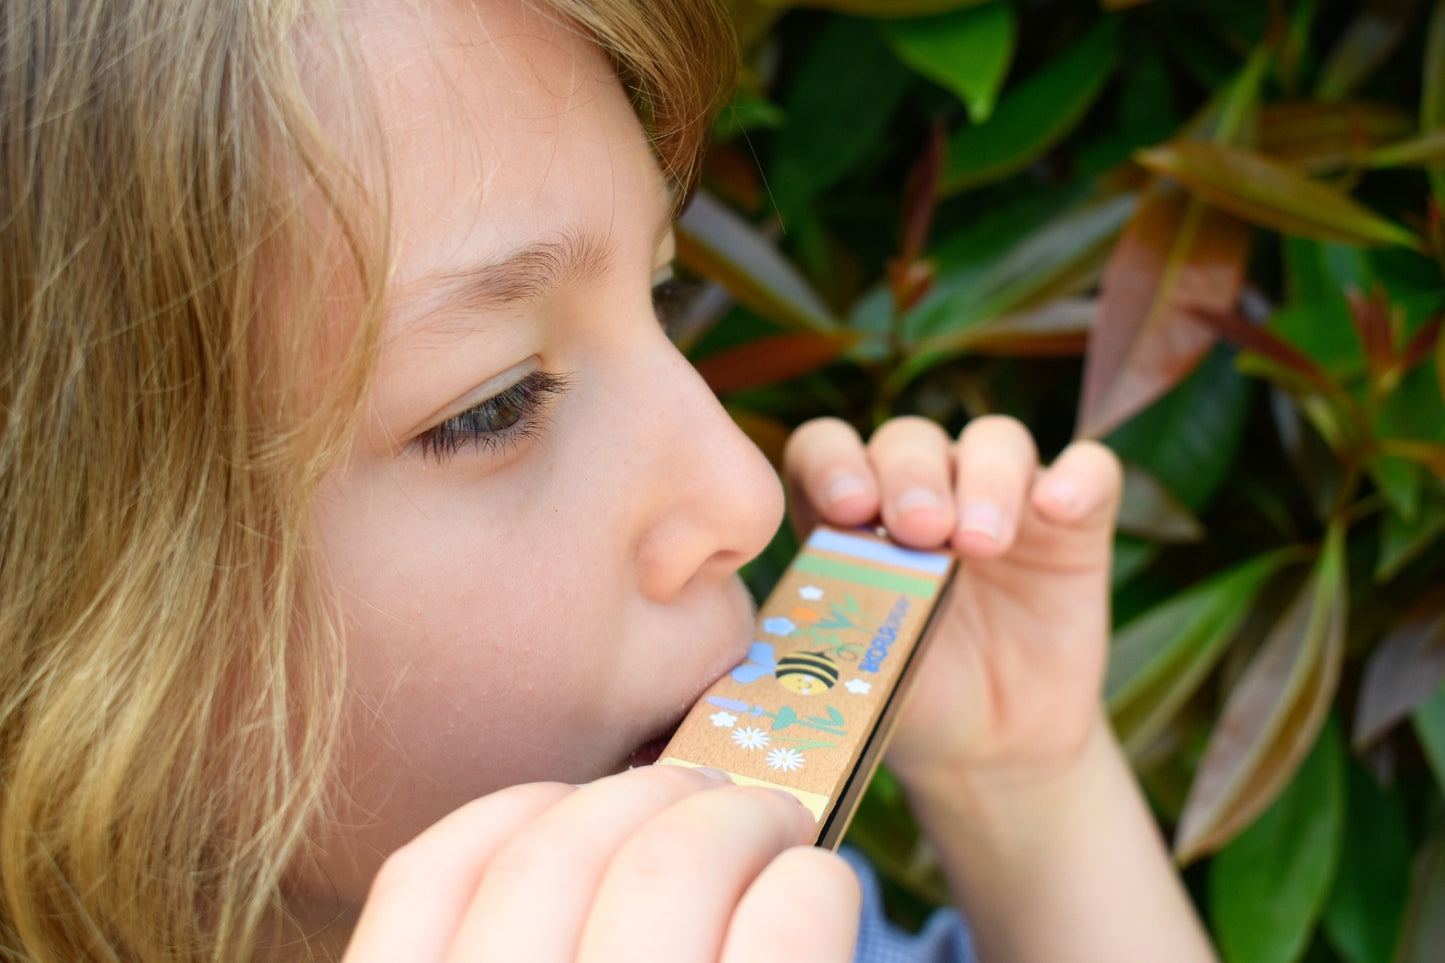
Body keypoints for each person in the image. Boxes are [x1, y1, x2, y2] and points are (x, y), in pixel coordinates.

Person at [0, 0, 1219, 959]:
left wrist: (1024, 797)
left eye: (665, 290)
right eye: (493, 405)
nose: (745, 496)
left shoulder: (723, 907)